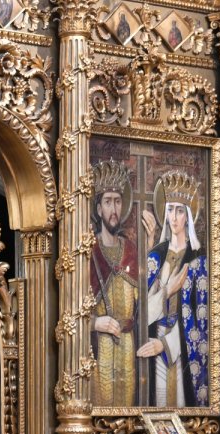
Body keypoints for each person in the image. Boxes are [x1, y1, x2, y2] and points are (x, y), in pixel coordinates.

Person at [139, 171, 208, 407]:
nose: (174, 217)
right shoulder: (157, 256)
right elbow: (143, 312)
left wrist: (166, 344)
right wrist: (167, 290)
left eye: (180, 211)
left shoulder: (198, 260)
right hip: (154, 343)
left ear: (188, 216)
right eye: (170, 210)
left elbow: (199, 322)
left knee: (180, 404)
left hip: (181, 349)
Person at [90, 160, 142, 406]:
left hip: (127, 345)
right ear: (99, 208)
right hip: (100, 346)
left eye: (118, 201)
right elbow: (70, 310)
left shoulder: (130, 250)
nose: (114, 209)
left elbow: (143, 304)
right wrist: (94, 323)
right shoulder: (89, 251)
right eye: (108, 202)